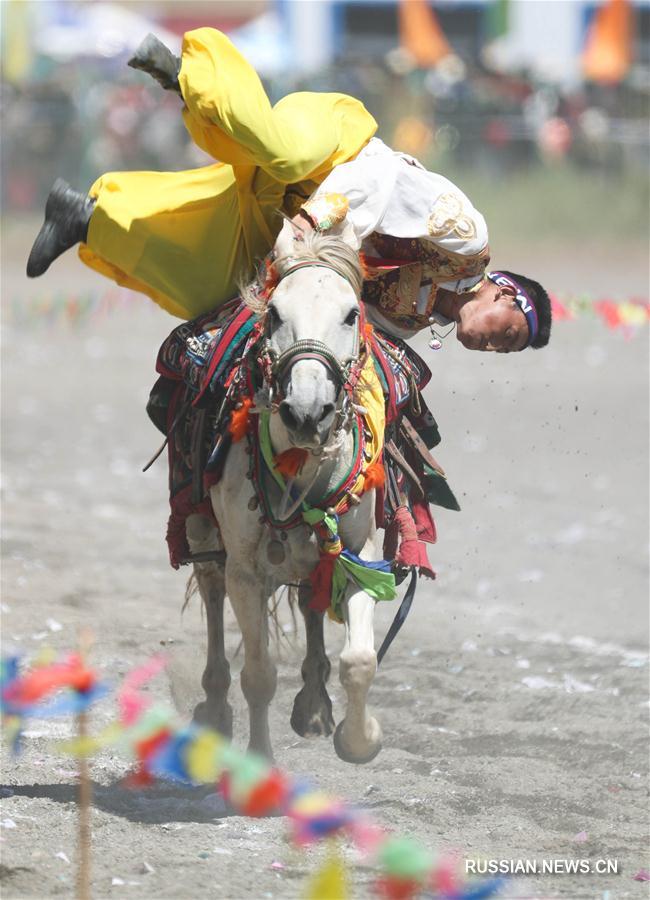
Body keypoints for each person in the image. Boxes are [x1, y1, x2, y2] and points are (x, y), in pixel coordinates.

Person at [26, 28, 551, 353]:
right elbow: (380, 177)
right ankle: (190, 73)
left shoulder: (411, 322)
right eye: (507, 333)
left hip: (292, 217)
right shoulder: (466, 241)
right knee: (283, 150)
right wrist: (316, 220)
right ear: (504, 292)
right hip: (336, 149)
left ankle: (82, 218)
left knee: (212, 289)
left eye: (502, 351)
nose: (492, 345)